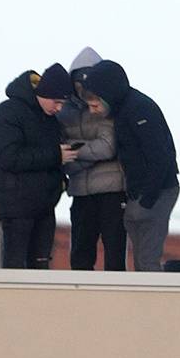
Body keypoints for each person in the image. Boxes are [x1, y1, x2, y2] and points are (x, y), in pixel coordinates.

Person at [76, 61, 179, 272]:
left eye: (95, 105)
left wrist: (146, 200)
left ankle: (154, 298)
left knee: (147, 259)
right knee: (142, 259)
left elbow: (160, 156)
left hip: (156, 192)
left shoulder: (139, 110)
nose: (92, 111)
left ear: (108, 96)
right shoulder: (124, 110)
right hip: (142, 194)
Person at [0, 69, 67, 272]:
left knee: (40, 268)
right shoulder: (7, 112)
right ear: (44, 93)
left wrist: (61, 182)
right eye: (56, 101)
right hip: (16, 207)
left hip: (45, 207)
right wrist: (56, 155)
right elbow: (6, 157)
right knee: (15, 267)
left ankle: (40, 304)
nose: (59, 108)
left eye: (63, 104)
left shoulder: (50, 120)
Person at [58, 76, 127, 272]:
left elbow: (107, 147)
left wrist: (74, 152)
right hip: (80, 192)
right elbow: (58, 153)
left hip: (112, 190)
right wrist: (89, 153)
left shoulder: (108, 107)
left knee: (114, 256)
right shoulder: (63, 111)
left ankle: (115, 299)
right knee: (80, 256)